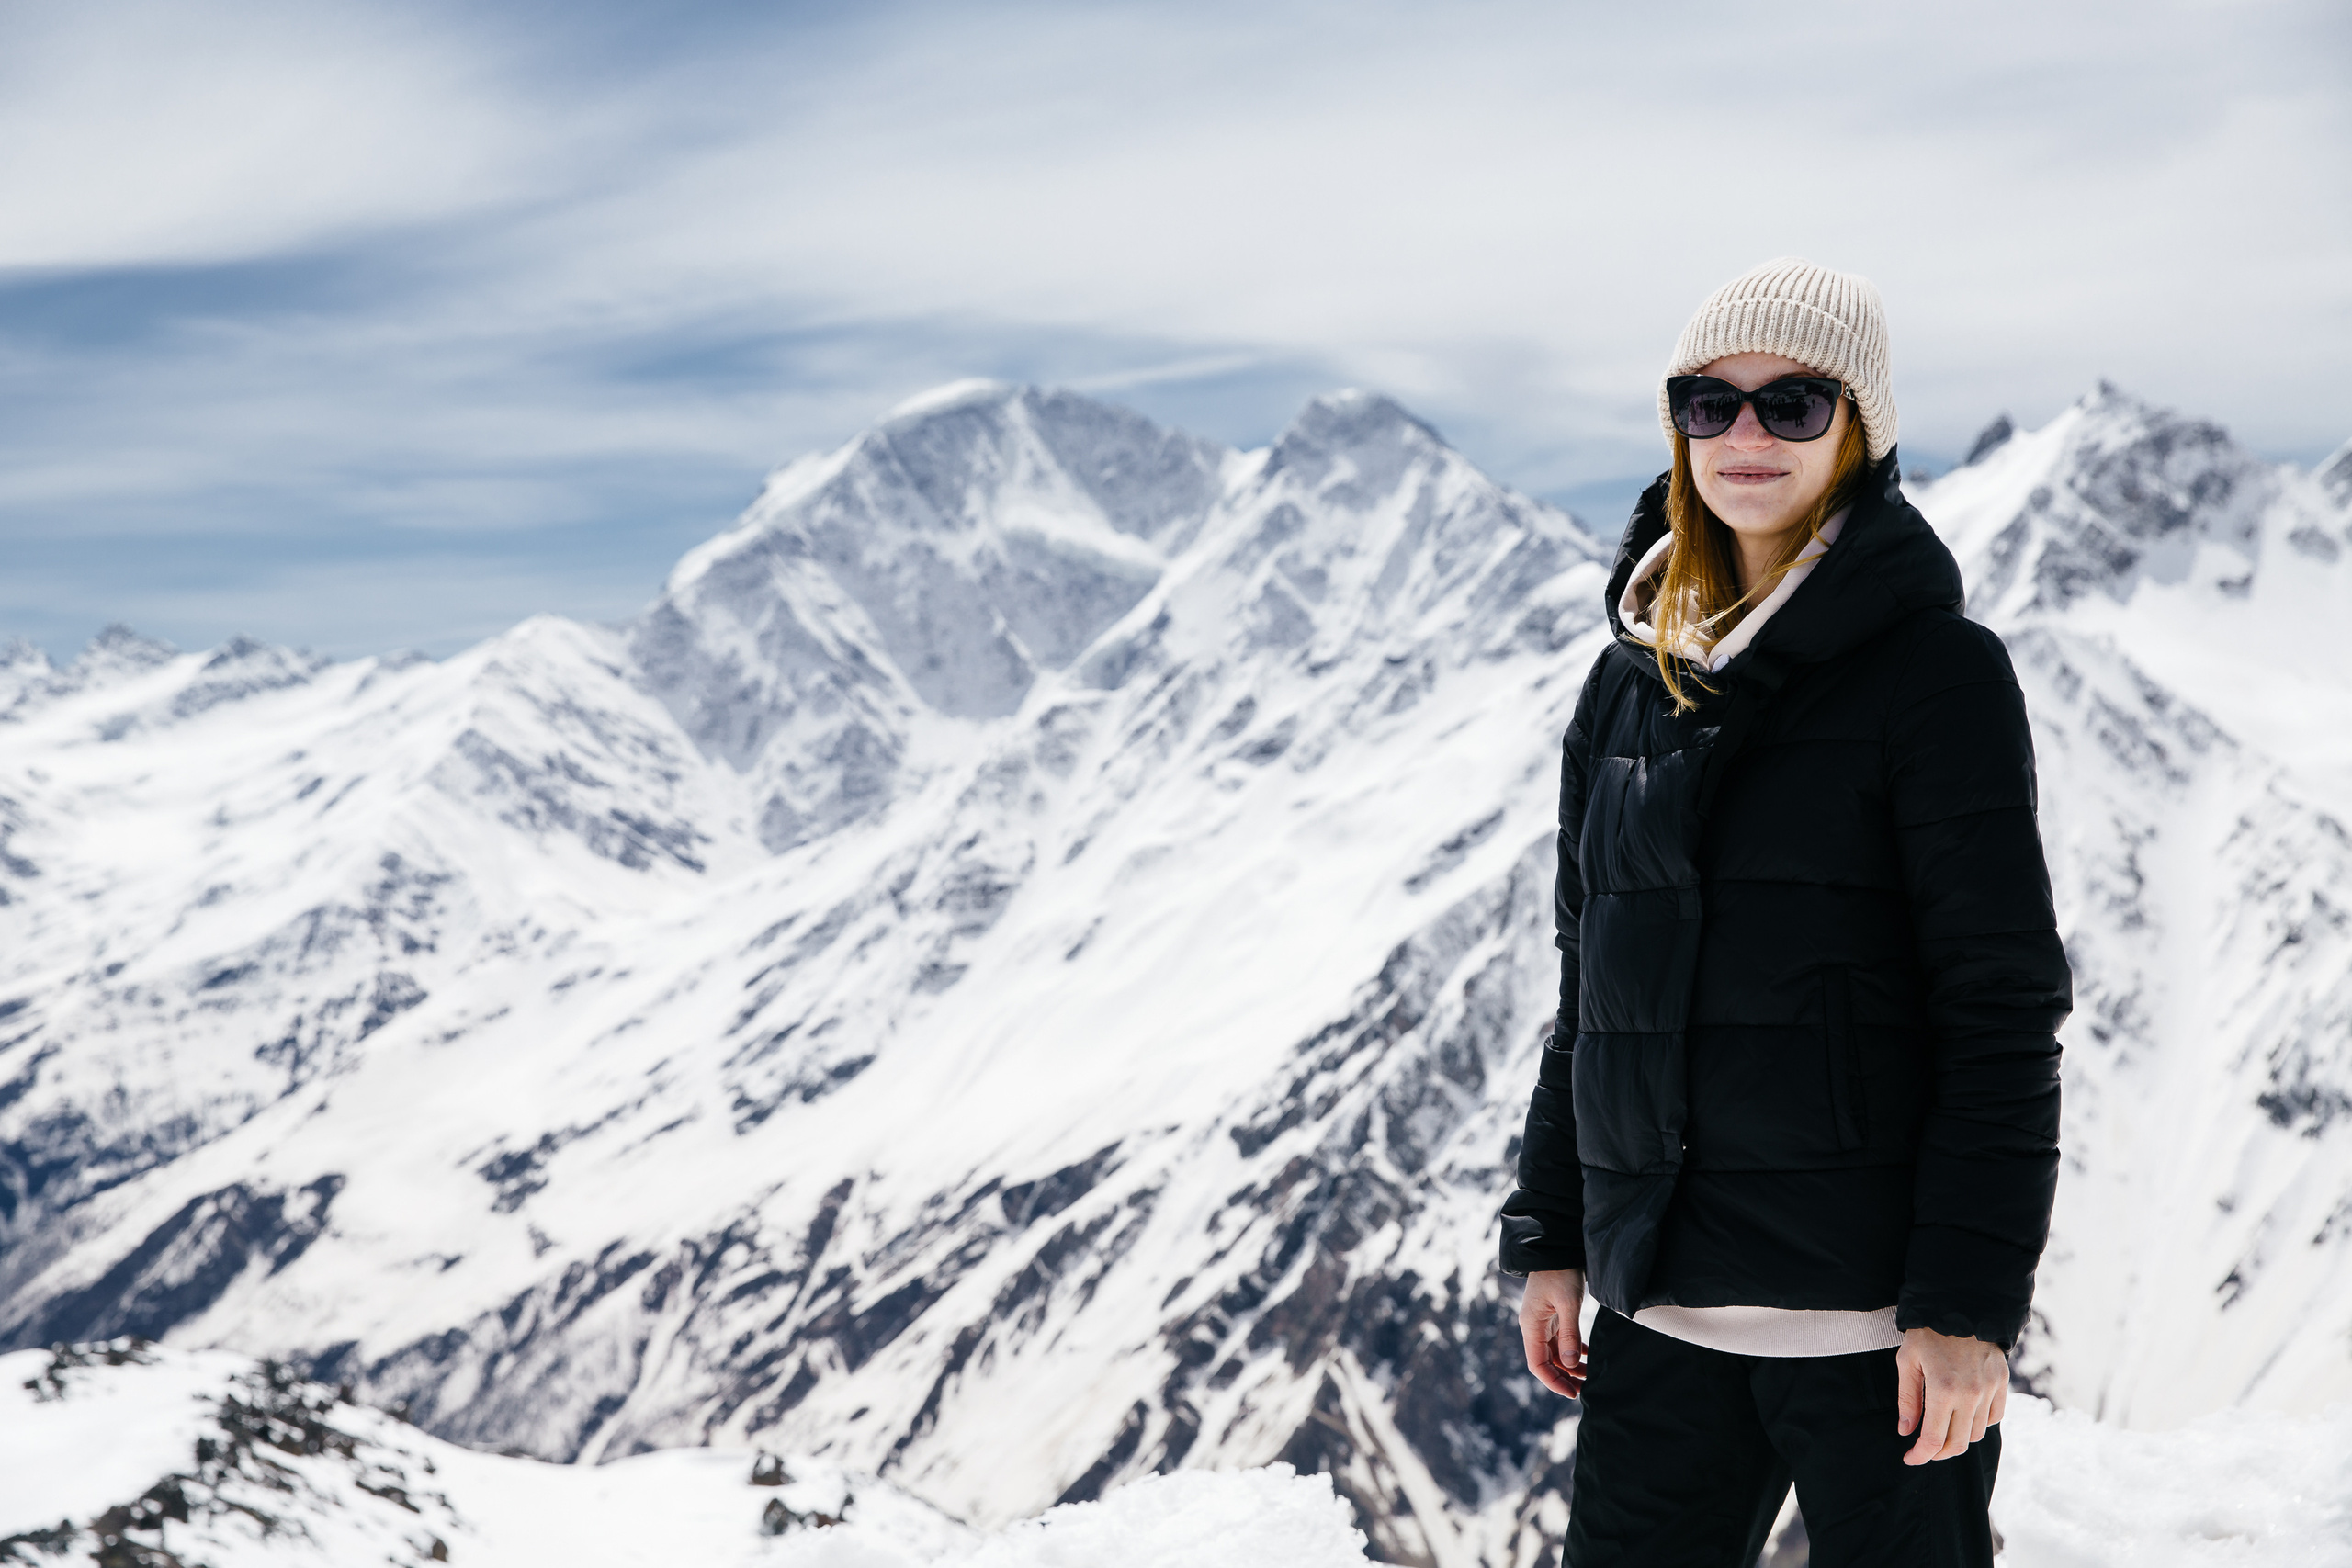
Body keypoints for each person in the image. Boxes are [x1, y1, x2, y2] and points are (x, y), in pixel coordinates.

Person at [1497, 257, 2070, 1568]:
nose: (1744, 435)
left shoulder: (1938, 676)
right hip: (1658, 1320)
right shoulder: (1627, 688)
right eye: (1708, 403)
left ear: (1859, 428)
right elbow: (1592, 993)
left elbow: (1998, 1008)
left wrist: (1967, 1309)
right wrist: (1553, 1235)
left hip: (1876, 1340)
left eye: (1792, 403)